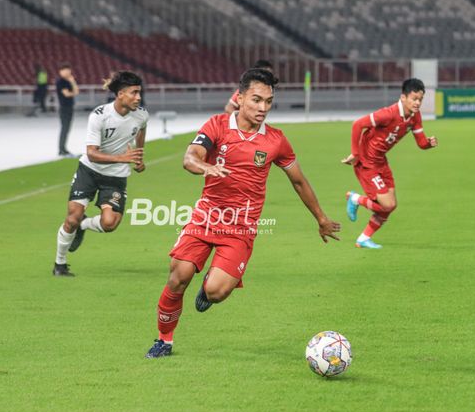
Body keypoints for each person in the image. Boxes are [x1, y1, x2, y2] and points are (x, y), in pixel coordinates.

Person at [145, 68, 341, 358]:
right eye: (256, 100)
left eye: (269, 102)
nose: (263, 108)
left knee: (216, 292)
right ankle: (164, 340)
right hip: (207, 216)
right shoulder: (217, 126)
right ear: (239, 98)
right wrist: (207, 167)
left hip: (241, 227)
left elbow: (298, 181)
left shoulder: (276, 141)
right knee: (178, 276)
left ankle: (211, 285)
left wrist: (321, 219)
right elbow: (190, 158)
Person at [53, 71, 148, 276]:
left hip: (116, 177)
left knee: (109, 223)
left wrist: (139, 155)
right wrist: (123, 158)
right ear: (120, 94)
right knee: (71, 218)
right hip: (89, 171)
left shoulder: (141, 114)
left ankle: (83, 225)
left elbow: (142, 128)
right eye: (134, 93)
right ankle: (59, 264)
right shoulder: (99, 116)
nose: (138, 97)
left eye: (139, 92)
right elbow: (92, 154)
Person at [342, 78, 438, 249]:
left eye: (420, 100)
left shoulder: (415, 117)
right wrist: (355, 154)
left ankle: (363, 239)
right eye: (414, 98)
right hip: (367, 162)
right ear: (403, 97)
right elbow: (357, 125)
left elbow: (421, 143)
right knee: (387, 204)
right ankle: (355, 199)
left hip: (381, 161)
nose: (417, 103)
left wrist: (429, 144)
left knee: (390, 206)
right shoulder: (388, 113)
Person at [56, 63, 80, 157]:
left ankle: (64, 149)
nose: (67, 72)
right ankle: (61, 150)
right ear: (60, 71)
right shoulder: (60, 81)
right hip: (64, 108)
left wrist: (73, 81)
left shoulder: (69, 80)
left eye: (68, 70)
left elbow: (76, 91)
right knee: (64, 128)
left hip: (70, 107)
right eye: (65, 70)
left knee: (67, 129)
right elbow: (67, 94)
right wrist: (73, 92)